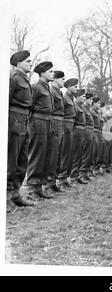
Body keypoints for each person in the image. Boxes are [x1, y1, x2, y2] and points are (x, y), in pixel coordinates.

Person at [8, 50, 35, 206]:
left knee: (22, 158)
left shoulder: (24, 79)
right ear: (19, 64)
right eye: (28, 61)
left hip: (25, 119)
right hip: (15, 118)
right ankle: (5, 197)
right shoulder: (14, 78)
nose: (30, 64)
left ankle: (15, 194)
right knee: (12, 158)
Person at [25, 61, 55, 200]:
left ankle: (39, 186)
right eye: (50, 71)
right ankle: (32, 188)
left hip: (48, 122)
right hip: (38, 122)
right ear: (42, 73)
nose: (53, 73)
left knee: (46, 155)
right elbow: (29, 105)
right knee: (37, 154)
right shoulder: (36, 87)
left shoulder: (47, 87)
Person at [46, 70, 65, 193]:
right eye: (62, 79)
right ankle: (48, 182)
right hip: (54, 122)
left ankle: (52, 181)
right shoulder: (52, 91)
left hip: (60, 122)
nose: (63, 81)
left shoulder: (59, 92)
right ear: (56, 79)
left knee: (57, 153)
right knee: (52, 153)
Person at [58, 78, 78, 189]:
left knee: (69, 153)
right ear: (69, 86)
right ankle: (61, 178)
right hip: (66, 126)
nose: (76, 88)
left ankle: (65, 177)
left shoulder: (71, 98)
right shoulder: (65, 98)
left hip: (71, 126)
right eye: (75, 86)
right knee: (64, 152)